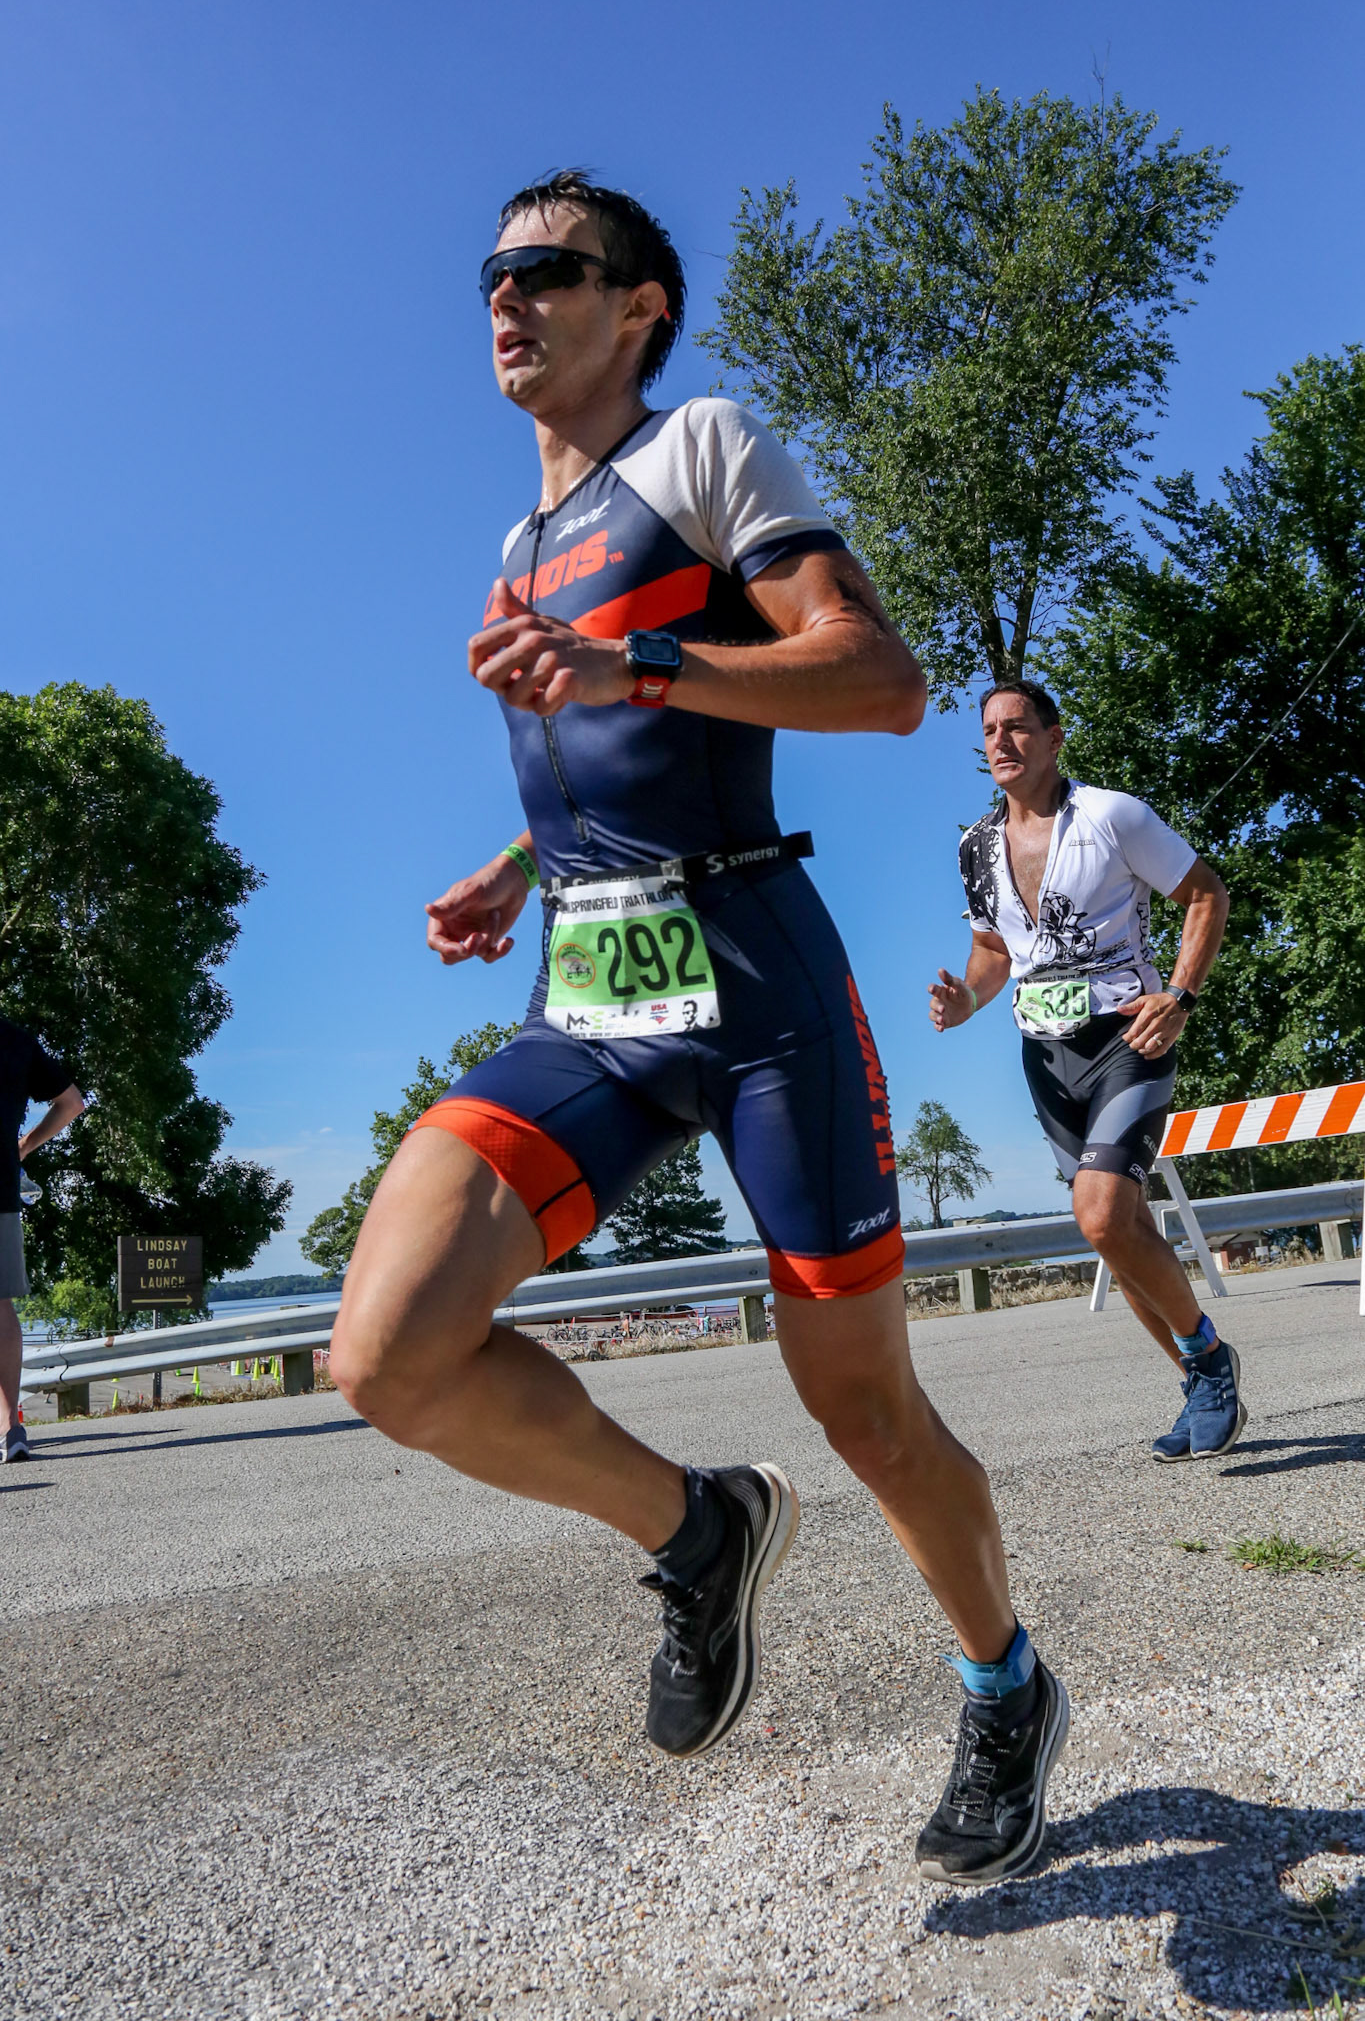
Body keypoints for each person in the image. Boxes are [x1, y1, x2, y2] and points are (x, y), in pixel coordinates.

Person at [330, 171, 1069, 1884]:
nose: (507, 297)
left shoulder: (705, 450)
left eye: (548, 269)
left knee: (866, 1411)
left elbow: (880, 680)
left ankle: (1005, 1681)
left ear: (639, 305)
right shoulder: (517, 542)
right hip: (588, 988)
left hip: (752, 983)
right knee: (387, 1351)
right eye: (489, 272)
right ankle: (695, 1527)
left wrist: (641, 671)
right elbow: (602, 747)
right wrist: (518, 864)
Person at [929, 680, 1241, 1462]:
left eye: (1017, 728)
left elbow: (1205, 894)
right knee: (1118, 1234)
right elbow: (993, 954)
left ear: (1054, 737)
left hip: (1126, 1039)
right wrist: (966, 999)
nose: (1001, 743)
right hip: (1044, 1053)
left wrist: (1179, 995)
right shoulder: (973, 846)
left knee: (1100, 1217)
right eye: (989, 733)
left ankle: (1208, 1359)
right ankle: (1199, 1380)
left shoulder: (1112, 815)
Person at [0, 1014, 85, 1462]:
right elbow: (71, 1103)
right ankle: (8, 1427)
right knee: (1, 1306)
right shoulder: (14, 1040)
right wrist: (23, 1148)